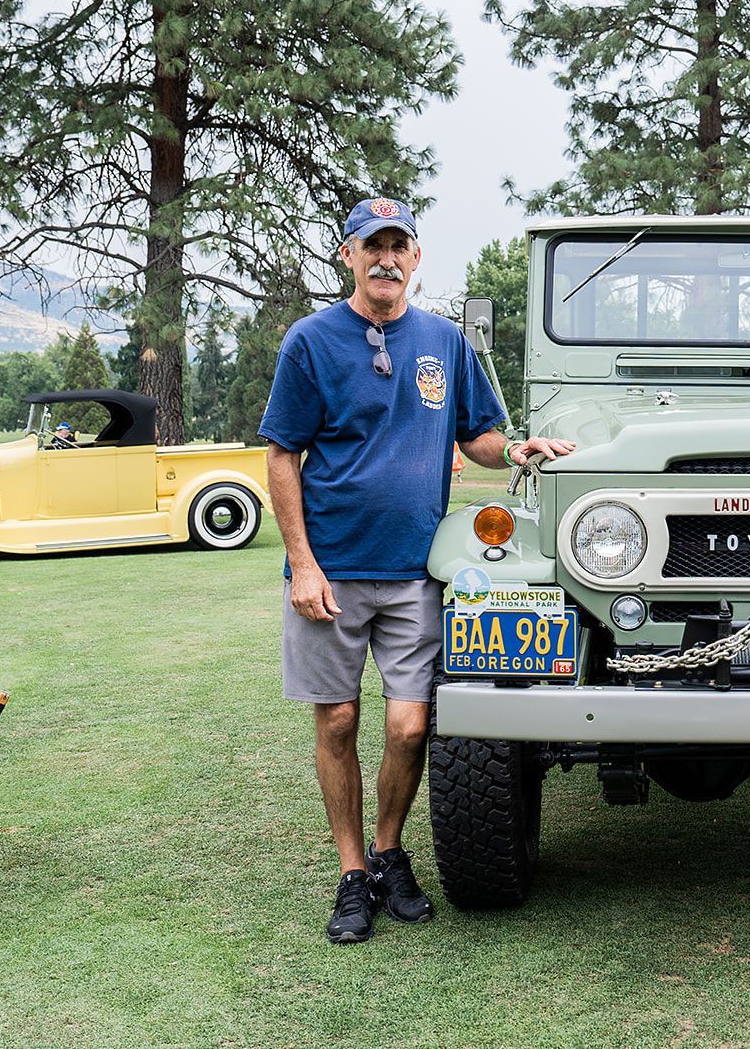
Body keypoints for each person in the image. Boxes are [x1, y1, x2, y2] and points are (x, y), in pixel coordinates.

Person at [259, 197, 575, 944]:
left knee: (410, 725)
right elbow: (280, 454)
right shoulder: (311, 341)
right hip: (331, 572)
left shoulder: (444, 342)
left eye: (399, 246)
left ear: (416, 258)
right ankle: (350, 876)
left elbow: (481, 437)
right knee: (337, 721)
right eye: (373, 247)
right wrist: (302, 564)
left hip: (415, 572)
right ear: (348, 256)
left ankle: (389, 851)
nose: (386, 259)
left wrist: (522, 450)